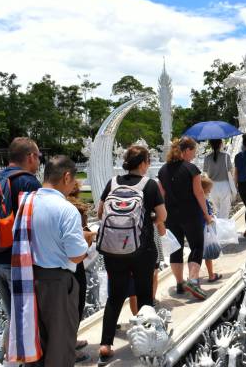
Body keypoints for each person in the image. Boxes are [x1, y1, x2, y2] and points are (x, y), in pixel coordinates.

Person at [97, 146, 167, 365]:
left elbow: (100, 213)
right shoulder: (149, 185)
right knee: (145, 294)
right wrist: (148, 221)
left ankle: (106, 344)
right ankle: (146, 342)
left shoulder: (112, 182)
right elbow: (163, 215)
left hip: (113, 249)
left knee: (115, 296)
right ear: (144, 163)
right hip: (141, 249)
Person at [0, 137, 42, 363]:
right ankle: (25, 361)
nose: (38, 162)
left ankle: (11, 360)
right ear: (30, 157)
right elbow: (36, 224)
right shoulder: (28, 183)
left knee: (13, 317)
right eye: (38, 157)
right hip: (20, 263)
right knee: (28, 319)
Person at [24, 155, 89, 366]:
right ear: (66, 176)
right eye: (73, 180)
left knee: (36, 340)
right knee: (60, 344)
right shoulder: (66, 209)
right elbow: (76, 255)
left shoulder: (27, 202)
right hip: (57, 281)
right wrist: (85, 240)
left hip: (28, 276)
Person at [158, 137, 212, 301]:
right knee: (196, 246)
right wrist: (206, 214)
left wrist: (161, 217)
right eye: (193, 151)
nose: (194, 155)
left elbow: (162, 195)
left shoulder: (163, 170)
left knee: (176, 249)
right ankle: (193, 280)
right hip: (191, 213)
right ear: (186, 150)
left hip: (171, 216)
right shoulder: (191, 169)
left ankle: (180, 283)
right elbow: (199, 193)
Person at [66, 181, 97, 363]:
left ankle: (70, 341)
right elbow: (82, 237)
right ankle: (69, 348)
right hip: (74, 264)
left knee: (70, 306)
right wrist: (90, 237)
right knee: (75, 305)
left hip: (57, 265)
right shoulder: (75, 208)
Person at [203, 139, 233, 219]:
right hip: (224, 185)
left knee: (217, 210)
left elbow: (205, 173)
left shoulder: (207, 157)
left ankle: (219, 228)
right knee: (225, 211)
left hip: (212, 186)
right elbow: (231, 171)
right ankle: (223, 229)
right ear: (220, 144)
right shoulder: (226, 156)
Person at [201, 176, 222, 282]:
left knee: (197, 253)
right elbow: (207, 216)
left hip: (198, 228)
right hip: (206, 229)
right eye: (209, 189)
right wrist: (212, 219)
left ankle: (194, 277)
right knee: (208, 254)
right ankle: (211, 275)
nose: (210, 191)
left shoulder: (197, 200)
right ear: (203, 189)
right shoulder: (203, 201)